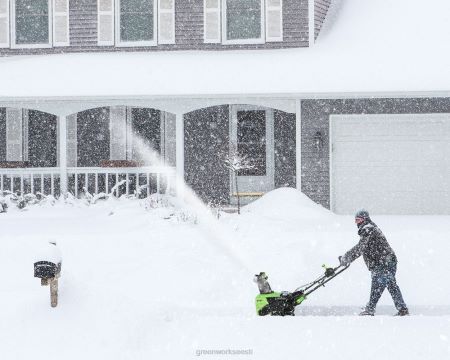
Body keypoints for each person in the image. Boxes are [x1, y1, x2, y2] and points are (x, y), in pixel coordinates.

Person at [339, 209, 409, 316]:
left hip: (383, 262)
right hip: (387, 261)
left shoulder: (368, 230)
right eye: (355, 221)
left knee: (377, 284)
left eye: (358, 220)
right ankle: (402, 309)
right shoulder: (370, 229)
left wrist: (346, 258)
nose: (356, 223)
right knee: (391, 285)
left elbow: (360, 248)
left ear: (364, 219)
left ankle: (370, 308)